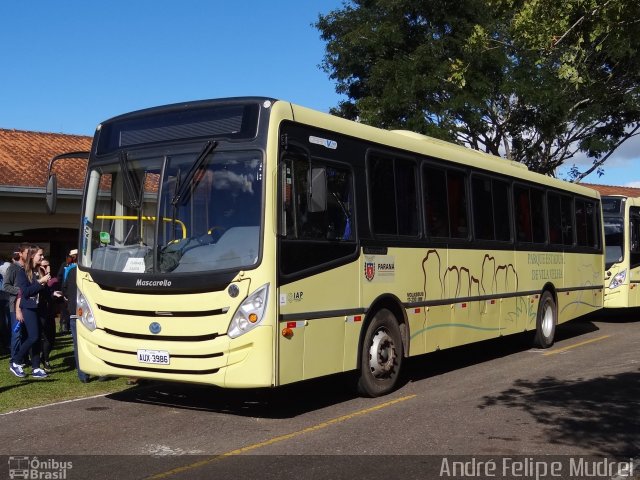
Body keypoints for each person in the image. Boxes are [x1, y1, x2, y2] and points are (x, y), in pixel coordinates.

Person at [10, 246, 50, 379]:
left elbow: (43, 291)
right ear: (32, 256)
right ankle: (15, 361)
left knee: (38, 338)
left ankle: (36, 367)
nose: (42, 257)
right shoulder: (22, 272)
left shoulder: (39, 270)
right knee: (33, 337)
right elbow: (26, 292)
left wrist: (50, 288)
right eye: (40, 255)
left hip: (39, 308)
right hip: (28, 307)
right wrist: (40, 282)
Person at [63, 262, 89, 382]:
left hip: (74, 311)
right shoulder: (90, 272)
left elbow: (65, 289)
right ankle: (100, 372)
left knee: (77, 344)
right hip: (88, 313)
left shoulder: (72, 271)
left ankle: (82, 374)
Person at [3, 246, 29, 364]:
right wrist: (20, 291)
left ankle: (23, 358)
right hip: (15, 306)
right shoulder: (13, 268)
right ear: (21, 254)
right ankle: (14, 359)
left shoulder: (26, 268)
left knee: (26, 332)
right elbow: (6, 286)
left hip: (27, 304)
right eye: (28, 253)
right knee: (17, 333)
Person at [37, 258, 59, 371]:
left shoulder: (53, 279)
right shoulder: (38, 278)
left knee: (51, 337)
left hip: (50, 311)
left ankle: (44, 357)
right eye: (44, 266)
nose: (47, 268)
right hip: (40, 311)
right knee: (42, 337)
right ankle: (44, 360)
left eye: (48, 265)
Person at [56, 251, 75, 334]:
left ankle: (70, 326)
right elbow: (60, 276)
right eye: (70, 256)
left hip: (73, 289)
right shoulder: (65, 265)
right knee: (64, 308)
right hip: (65, 288)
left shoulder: (77, 265)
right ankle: (64, 325)